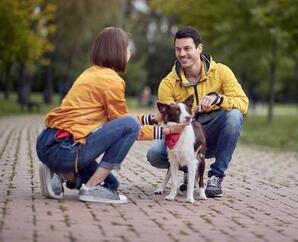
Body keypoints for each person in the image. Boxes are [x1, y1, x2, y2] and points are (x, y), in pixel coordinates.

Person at [36, 27, 186, 204]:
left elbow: (118, 119)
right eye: (127, 47)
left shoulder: (91, 72)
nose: (129, 52)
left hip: (48, 141)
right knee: (130, 125)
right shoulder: (112, 81)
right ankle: (89, 188)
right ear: (118, 51)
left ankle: (60, 172)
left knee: (110, 184)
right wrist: (167, 131)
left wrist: (152, 119)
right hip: (63, 147)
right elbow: (129, 127)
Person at [146, 27, 249, 198]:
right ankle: (189, 169)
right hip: (183, 134)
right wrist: (176, 111)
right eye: (178, 49)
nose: (182, 54)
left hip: (211, 133)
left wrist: (218, 99)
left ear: (199, 48)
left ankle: (216, 177)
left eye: (187, 48)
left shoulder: (221, 72)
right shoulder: (168, 83)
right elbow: (165, 119)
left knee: (234, 116)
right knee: (155, 154)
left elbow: (243, 103)